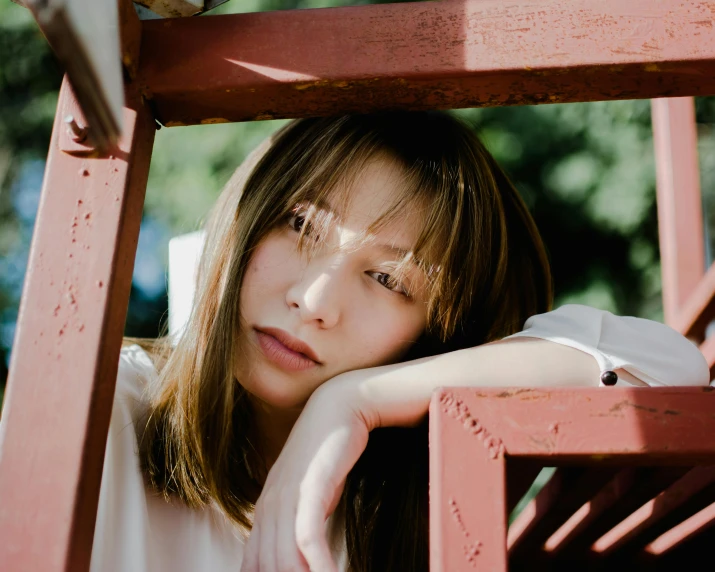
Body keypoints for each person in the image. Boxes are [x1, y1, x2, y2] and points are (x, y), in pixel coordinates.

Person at [90, 112, 709, 572]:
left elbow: (671, 369)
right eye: (301, 224)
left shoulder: (404, 485)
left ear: (434, 335)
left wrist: (355, 401)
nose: (314, 299)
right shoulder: (107, 406)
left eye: (388, 279)